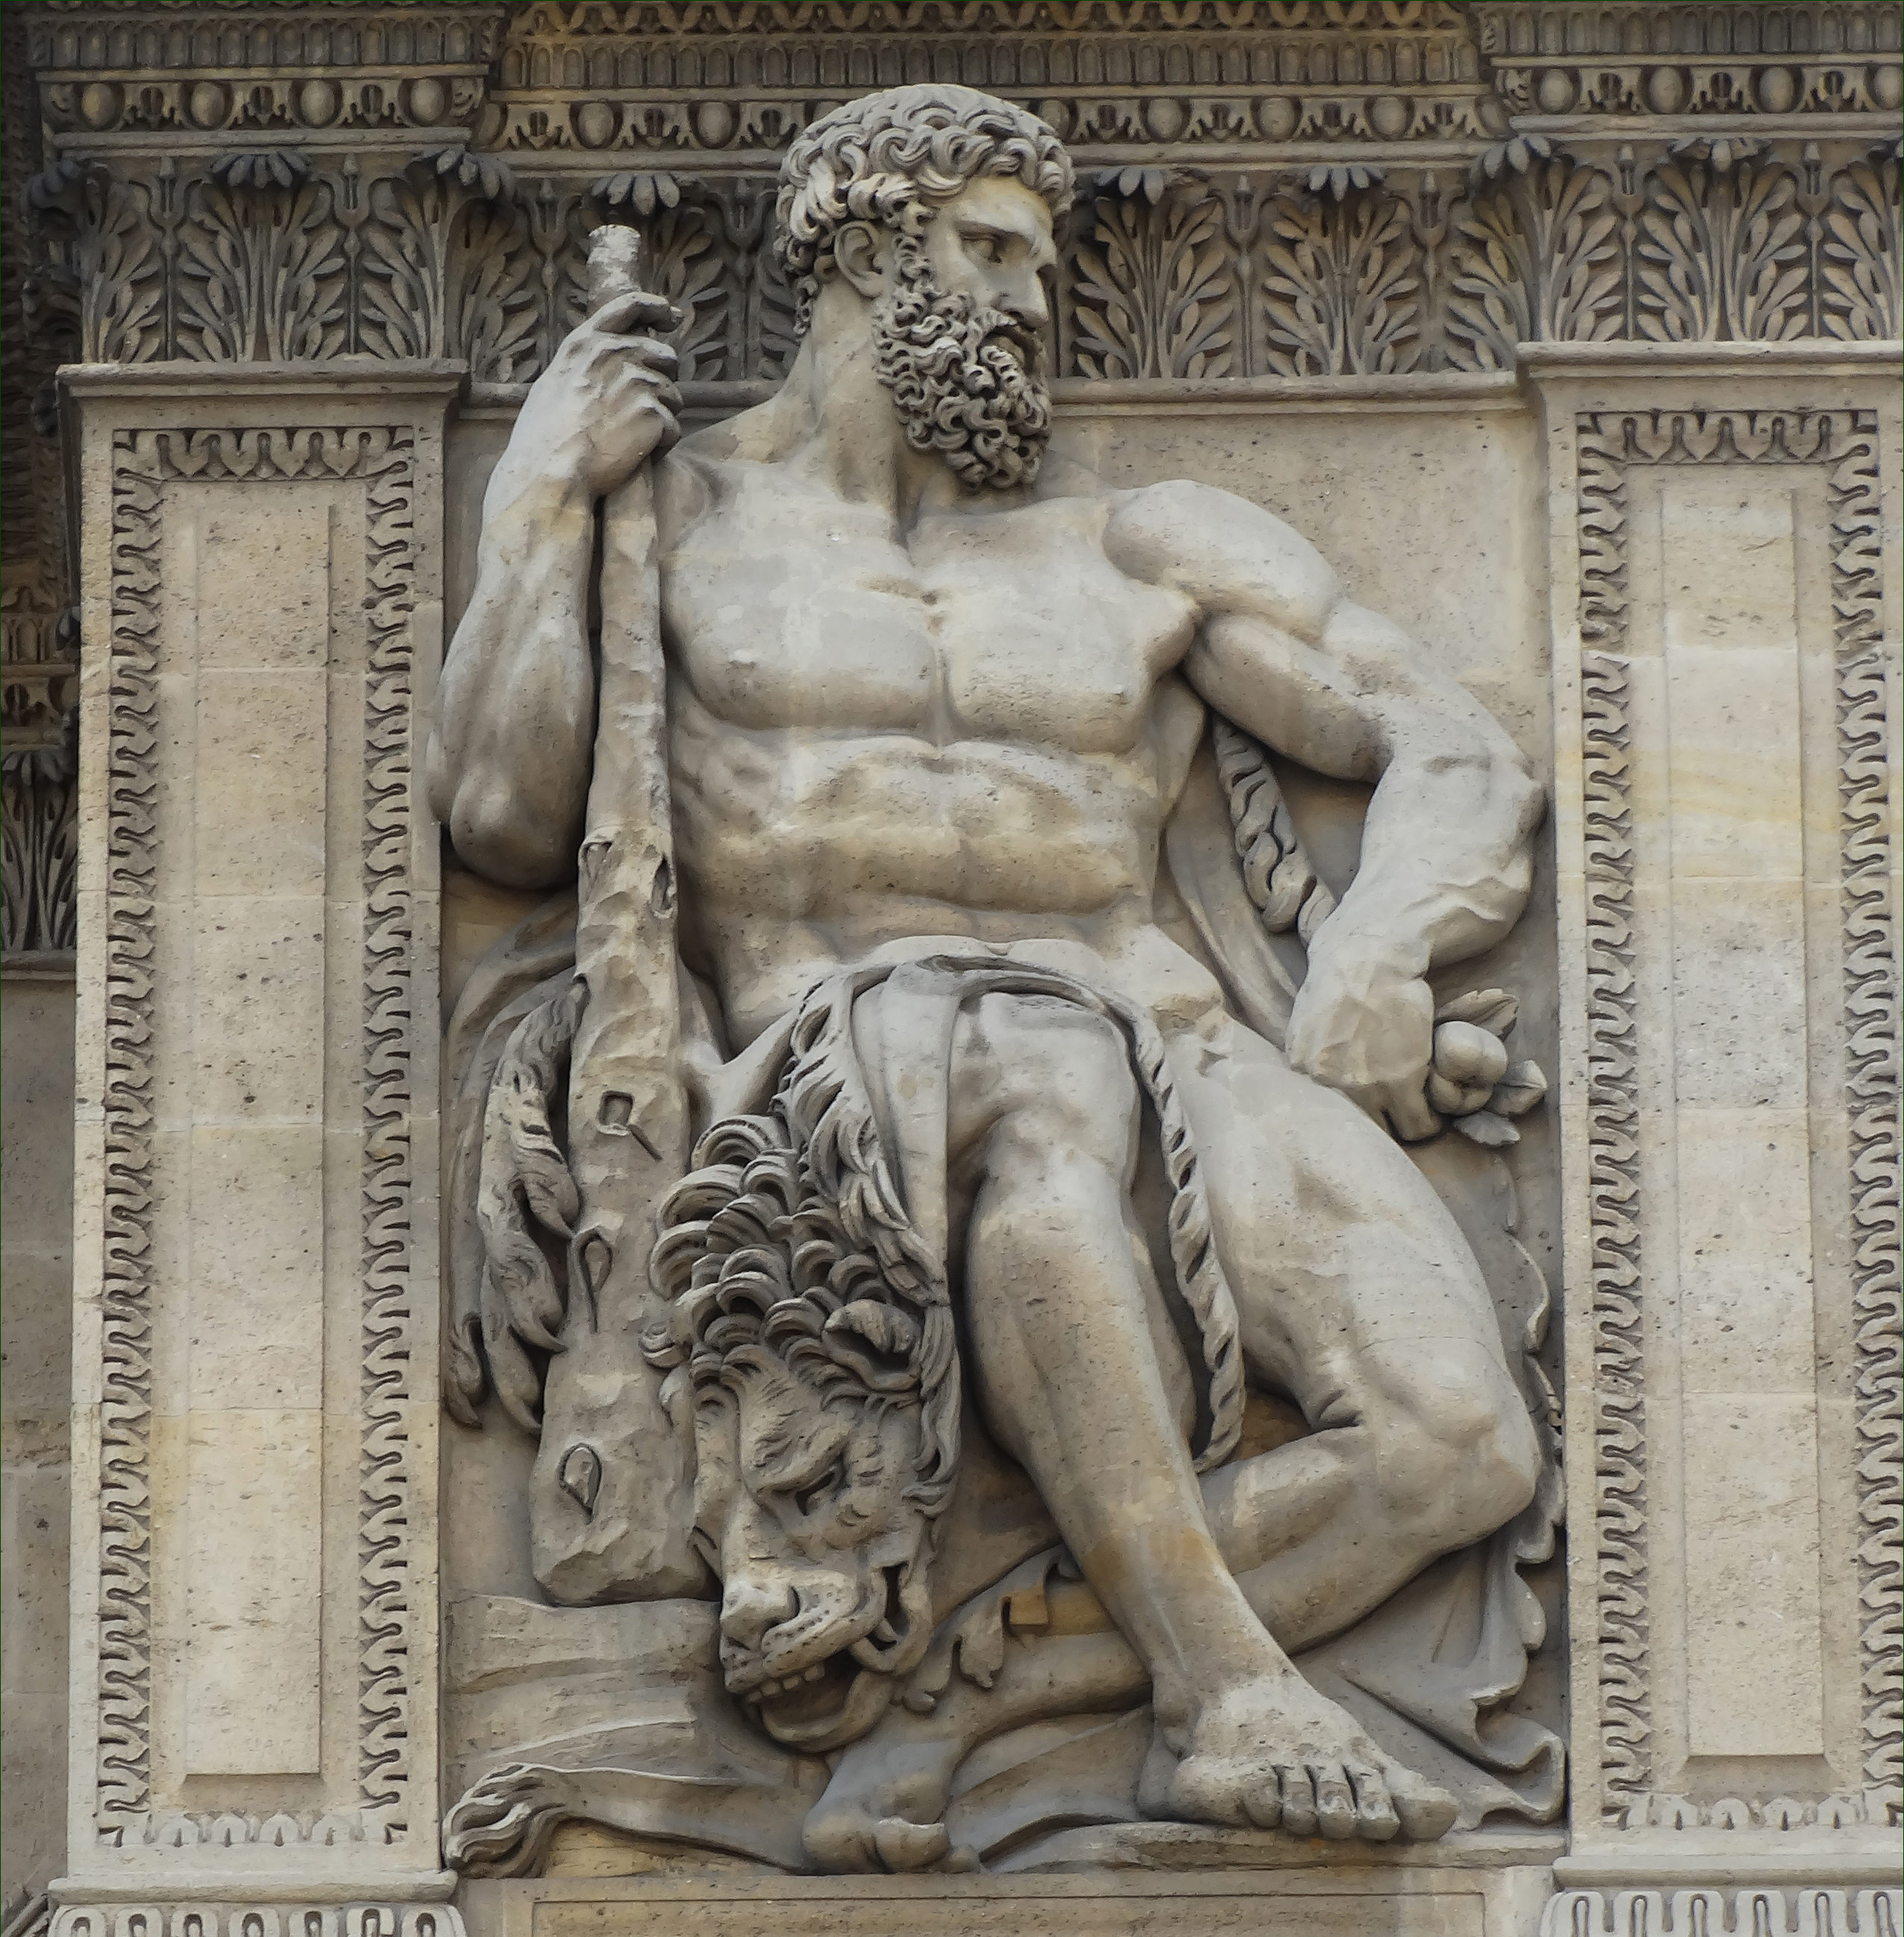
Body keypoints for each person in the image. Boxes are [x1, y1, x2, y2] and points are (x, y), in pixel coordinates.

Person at [428, 84, 1545, 1844]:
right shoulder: (687, 524)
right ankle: (1231, 1690)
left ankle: (979, 1684)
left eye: (1047, 259)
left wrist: (1382, 951)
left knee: (1460, 1439)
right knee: (1028, 1074)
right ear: (862, 252)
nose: (1034, 297)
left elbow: (1447, 741)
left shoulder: (1138, 548)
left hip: (1161, 1041)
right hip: (835, 1066)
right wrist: (539, 507)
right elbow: (499, 811)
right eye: (994, 249)